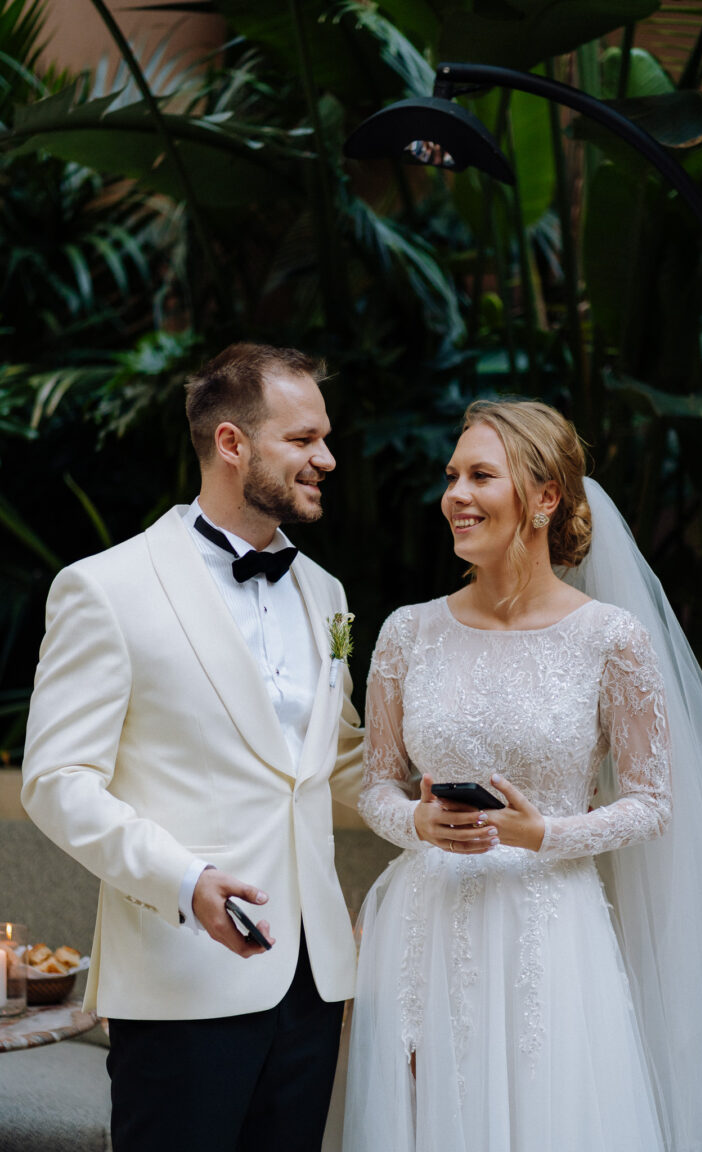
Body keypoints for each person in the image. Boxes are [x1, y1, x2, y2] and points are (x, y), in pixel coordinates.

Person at [341, 398, 702, 1152]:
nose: (456, 496)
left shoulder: (610, 639)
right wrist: (414, 820)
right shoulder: (408, 633)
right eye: (452, 476)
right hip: (426, 927)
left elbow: (652, 803)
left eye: (481, 476)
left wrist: (547, 832)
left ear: (544, 497)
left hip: (551, 928)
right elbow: (377, 782)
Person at [21, 342, 364, 1152]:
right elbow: (57, 781)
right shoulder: (105, 588)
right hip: (180, 979)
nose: (328, 457)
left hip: (312, 983)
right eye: (304, 439)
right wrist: (186, 880)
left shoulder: (326, 593)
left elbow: (333, 759)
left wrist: (435, 804)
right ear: (232, 444)